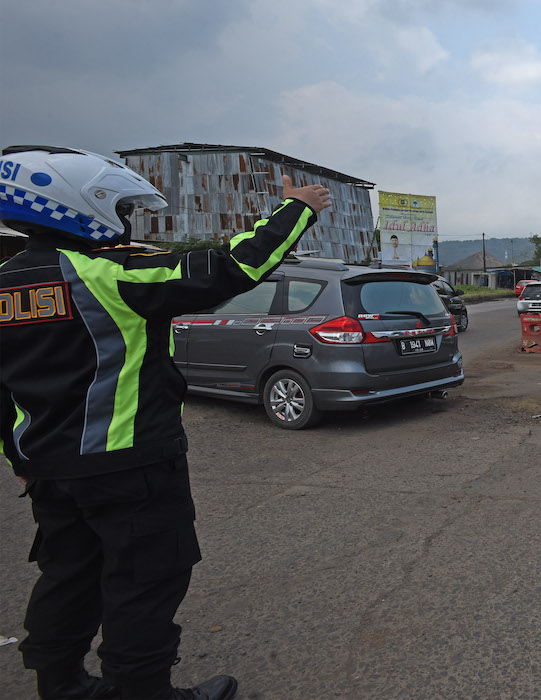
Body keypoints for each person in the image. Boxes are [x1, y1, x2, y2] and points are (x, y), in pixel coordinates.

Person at [0, 145, 331, 700]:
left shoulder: (7, 283)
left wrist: (20, 461)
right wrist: (297, 208)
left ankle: (60, 685)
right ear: (79, 205)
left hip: (50, 472)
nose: (126, 222)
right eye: (121, 209)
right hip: (130, 466)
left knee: (67, 577)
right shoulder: (107, 275)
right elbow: (231, 265)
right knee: (144, 584)